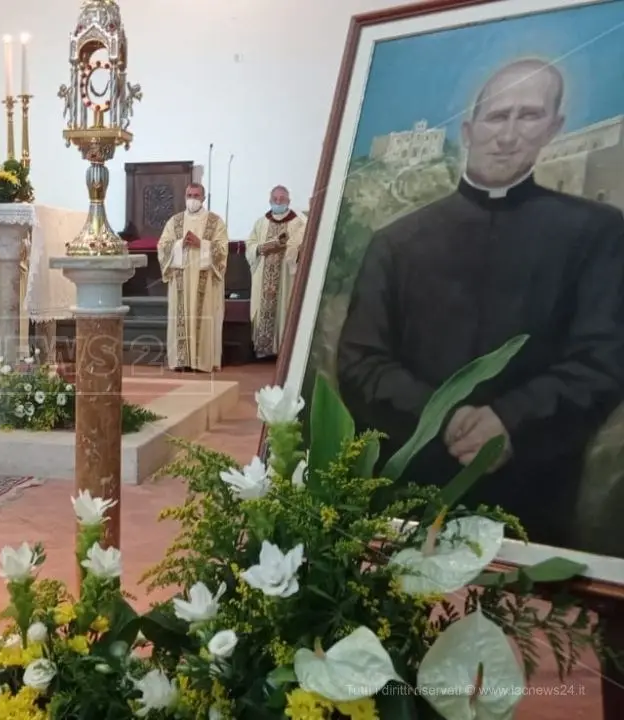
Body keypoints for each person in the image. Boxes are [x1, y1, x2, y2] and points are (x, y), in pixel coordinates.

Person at [336, 58, 624, 548]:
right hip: (409, 490)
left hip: (533, 498)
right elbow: (360, 362)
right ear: (469, 129)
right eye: (497, 116)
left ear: (553, 128)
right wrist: (441, 416)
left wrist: (511, 419)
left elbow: (604, 359)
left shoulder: (596, 233)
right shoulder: (397, 243)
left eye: (528, 116)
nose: (508, 135)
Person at [157, 182, 229, 372]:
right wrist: (179, 243)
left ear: (203, 198)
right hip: (181, 280)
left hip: (204, 281)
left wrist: (202, 244)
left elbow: (222, 250)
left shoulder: (215, 222)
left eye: (196, 196)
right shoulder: (175, 221)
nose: (193, 199)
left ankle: (202, 361)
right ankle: (182, 360)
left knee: (204, 317)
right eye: (190, 195)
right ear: (185, 197)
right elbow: (162, 246)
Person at [245, 185, 307, 359]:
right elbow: (250, 245)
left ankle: (283, 350)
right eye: (275, 199)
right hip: (262, 276)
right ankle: (264, 350)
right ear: (270, 200)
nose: (278, 202)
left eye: (282, 199)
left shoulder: (298, 223)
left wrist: (290, 249)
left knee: (285, 310)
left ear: (289, 201)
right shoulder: (261, 222)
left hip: (286, 278)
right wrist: (260, 248)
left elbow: (302, 245)